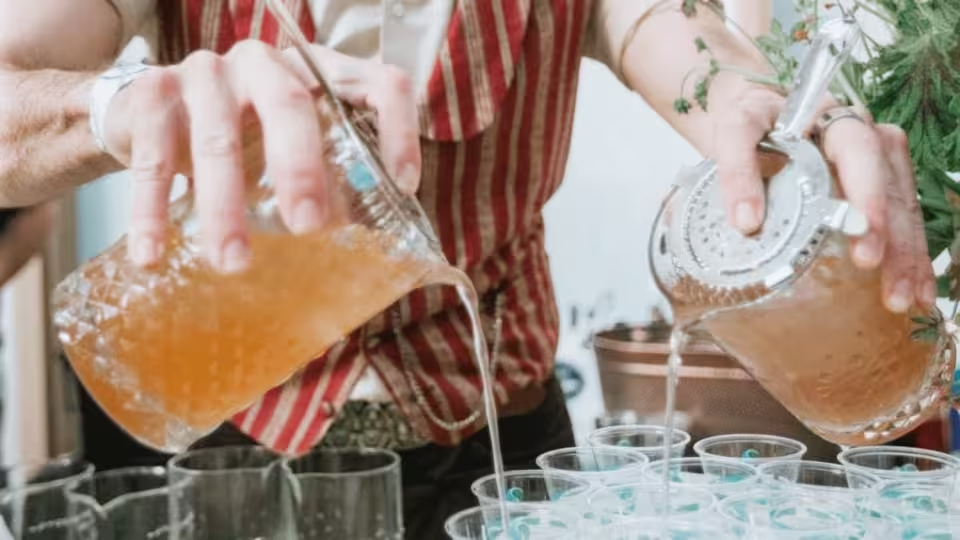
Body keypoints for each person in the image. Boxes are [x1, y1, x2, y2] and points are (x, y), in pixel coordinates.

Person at [0, 0, 932, 537]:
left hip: (492, 447)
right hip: (227, 456)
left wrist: (765, 108)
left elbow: (682, 39)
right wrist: (119, 103)